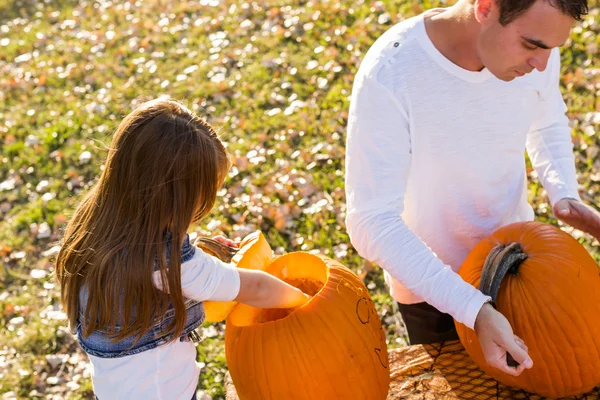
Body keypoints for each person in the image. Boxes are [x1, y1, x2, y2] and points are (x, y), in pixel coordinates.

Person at [345, 0, 600, 377]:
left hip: (519, 268)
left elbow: (546, 119)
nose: (542, 65)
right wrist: (472, 308)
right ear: (485, 7)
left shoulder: (538, 46)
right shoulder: (392, 72)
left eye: (553, 49)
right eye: (532, 46)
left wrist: (563, 193)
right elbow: (371, 221)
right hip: (433, 293)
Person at [55, 98, 309, 400]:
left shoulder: (95, 224)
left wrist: (197, 250)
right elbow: (253, 287)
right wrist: (306, 302)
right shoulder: (170, 265)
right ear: (173, 200)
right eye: (198, 201)